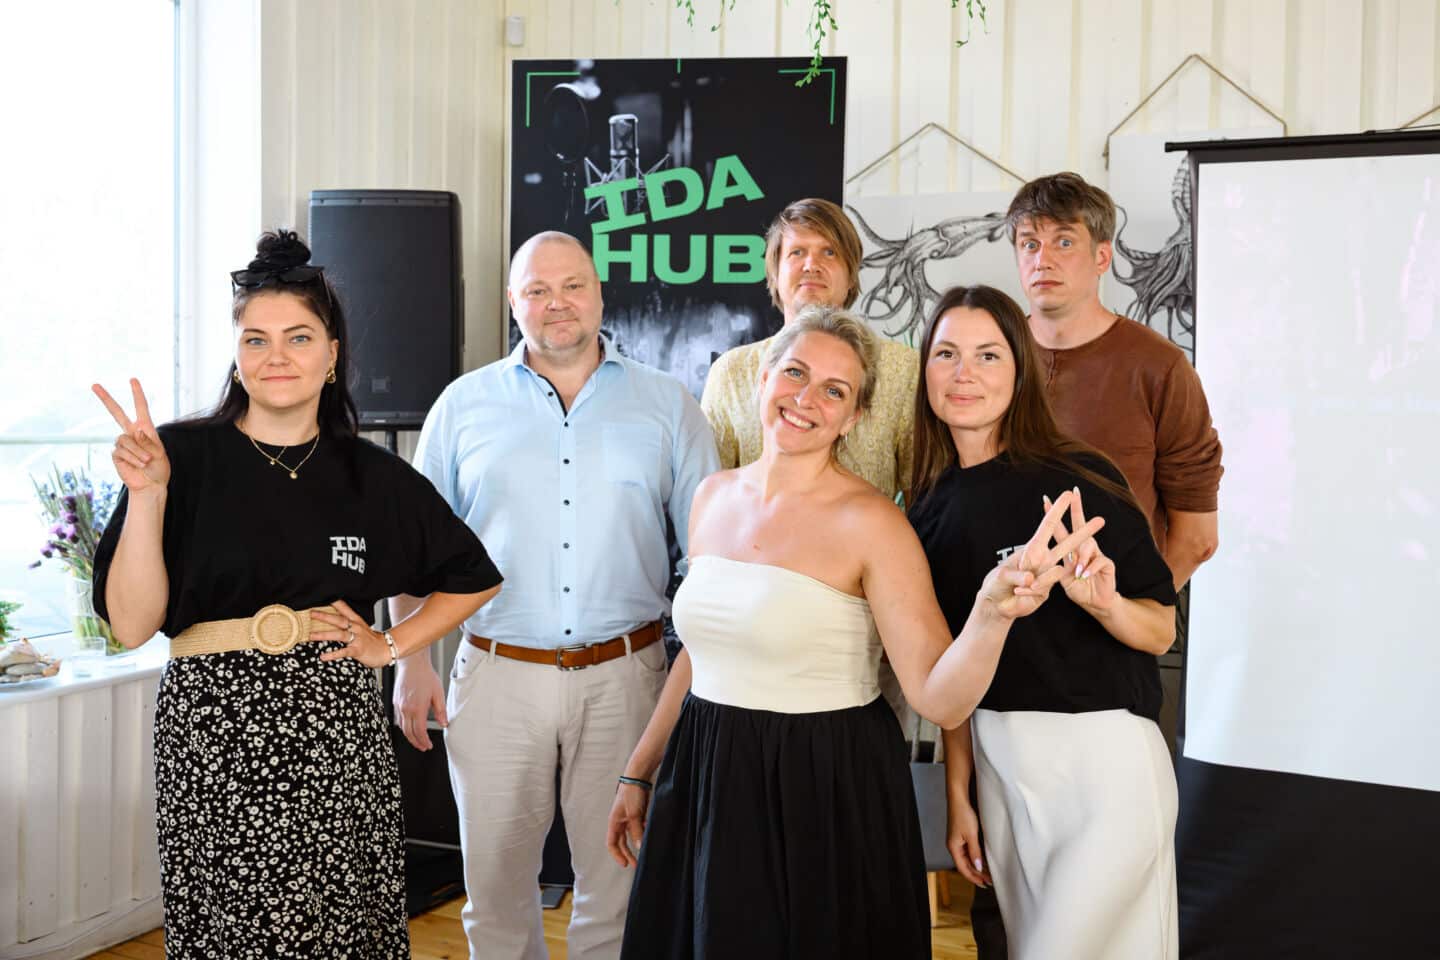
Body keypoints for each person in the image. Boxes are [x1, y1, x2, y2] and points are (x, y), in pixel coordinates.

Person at [610, 305, 1103, 960]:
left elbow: (939, 698)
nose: (806, 399)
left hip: (822, 781)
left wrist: (991, 613)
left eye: (834, 391)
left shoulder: (873, 525)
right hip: (707, 769)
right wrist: (639, 772)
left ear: (854, 417)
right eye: (795, 373)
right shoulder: (711, 496)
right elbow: (701, 655)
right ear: (763, 378)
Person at [91, 230, 502, 959]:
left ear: (332, 353)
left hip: (334, 734)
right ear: (237, 355)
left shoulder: (374, 476)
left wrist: (391, 645)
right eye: (256, 339)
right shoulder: (176, 457)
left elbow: (474, 575)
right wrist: (148, 495)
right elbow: (130, 625)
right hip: (212, 735)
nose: (275, 356)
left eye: (298, 337)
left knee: (338, 929)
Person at [389, 231, 719, 960]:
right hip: (497, 673)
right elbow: (410, 548)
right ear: (514, 303)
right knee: (496, 893)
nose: (556, 303)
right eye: (537, 290)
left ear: (599, 293)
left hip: (629, 677)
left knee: (619, 882)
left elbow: (710, 553)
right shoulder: (461, 406)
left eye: (572, 286)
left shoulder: (669, 406)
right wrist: (411, 660)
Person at [910, 285, 1180, 959]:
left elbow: (1161, 630)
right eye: (946, 354)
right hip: (1001, 767)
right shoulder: (926, 512)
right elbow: (951, 675)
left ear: (1019, 371)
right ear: (925, 370)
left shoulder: (1076, 476)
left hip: (1103, 767)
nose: (964, 373)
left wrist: (1105, 604)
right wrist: (960, 794)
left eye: (988, 355)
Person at [700, 197, 916, 500]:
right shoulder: (731, 372)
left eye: (829, 252)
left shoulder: (904, 368)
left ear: (851, 276)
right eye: (797, 252)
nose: (812, 265)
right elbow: (713, 495)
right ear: (774, 273)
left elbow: (925, 495)